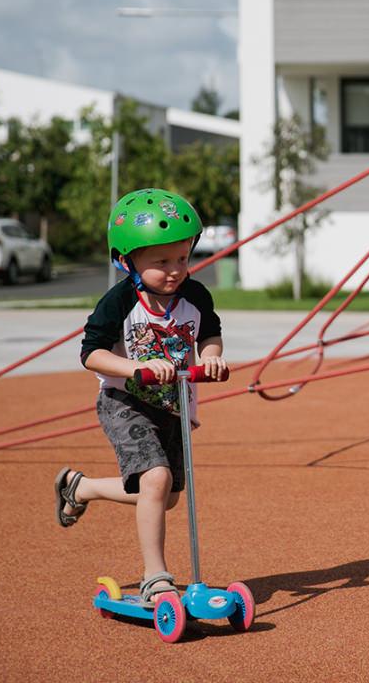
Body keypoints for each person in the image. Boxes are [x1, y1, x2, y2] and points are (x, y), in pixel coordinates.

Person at [54, 188, 228, 605]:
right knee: (155, 479)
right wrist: (135, 368)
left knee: (165, 497)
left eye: (182, 258)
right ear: (126, 261)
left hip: (174, 404)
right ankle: (156, 576)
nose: (175, 271)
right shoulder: (118, 302)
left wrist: (212, 358)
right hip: (124, 401)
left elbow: (210, 333)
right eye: (161, 262)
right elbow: (91, 354)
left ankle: (82, 488)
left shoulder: (196, 295)